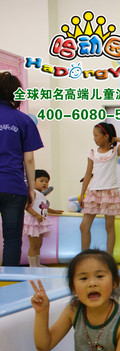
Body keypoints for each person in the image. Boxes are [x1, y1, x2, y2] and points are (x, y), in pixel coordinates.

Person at [0, 72, 44, 266]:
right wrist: (31, 189)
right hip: (13, 187)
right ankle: (6, 286)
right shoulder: (23, 120)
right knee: (11, 240)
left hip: (13, 188)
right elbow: (29, 159)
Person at [79, 122, 120, 255]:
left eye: (96, 135)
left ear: (105, 136)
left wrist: (113, 139)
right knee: (84, 226)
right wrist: (82, 194)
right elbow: (87, 175)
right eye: (94, 135)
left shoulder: (114, 151)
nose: (94, 138)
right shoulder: (92, 153)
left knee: (109, 227)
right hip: (94, 192)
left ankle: (109, 257)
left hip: (110, 192)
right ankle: (84, 255)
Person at [24, 169, 63, 267]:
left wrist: (54, 211)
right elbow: (26, 206)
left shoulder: (41, 194)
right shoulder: (32, 192)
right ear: (33, 181)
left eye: (46, 181)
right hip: (33, 221)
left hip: (40, 221)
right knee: (33, 245)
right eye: (41, 181)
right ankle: (32, 266)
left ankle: (37, 264)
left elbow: (43, 207)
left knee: (39, 244)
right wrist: (36, 215)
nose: (44, 183)